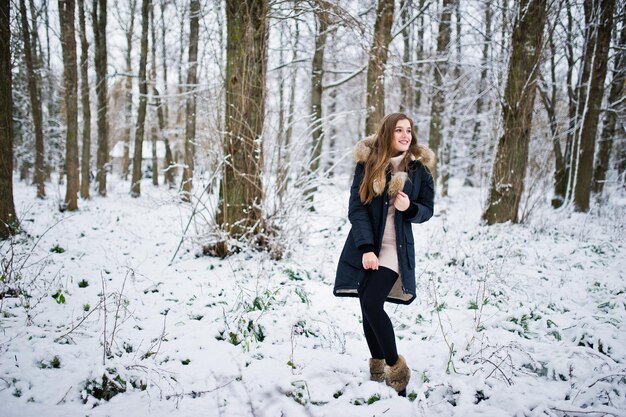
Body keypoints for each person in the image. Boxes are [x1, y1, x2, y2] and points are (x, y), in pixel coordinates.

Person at [334, 113, 435, 396]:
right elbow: (357, 208)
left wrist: (410, 209)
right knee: (366, 304)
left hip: (396, 248)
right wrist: (366, 249)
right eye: (399, 130)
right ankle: (378, 368)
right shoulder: (368, 164)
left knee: (371, 301)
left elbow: (428, 209)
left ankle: (396, 369)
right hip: (368, 245)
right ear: (387, 133)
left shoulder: (419, 170)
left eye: (409, 130)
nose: (405, 135)